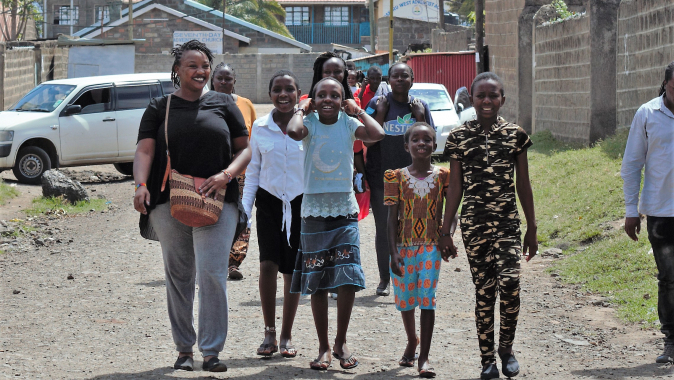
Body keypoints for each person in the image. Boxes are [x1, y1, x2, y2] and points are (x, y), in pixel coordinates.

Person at [133, 40, 251, 373]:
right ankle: (184, 350)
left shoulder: (224, 103)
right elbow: (144, 151)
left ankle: (211, 352)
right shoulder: (160, 106)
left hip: (217, 200)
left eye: (204, 65)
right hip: (170, 202)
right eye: (192, 65)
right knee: (179, 276)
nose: (200, 71)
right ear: (177, 71)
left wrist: (227, 175)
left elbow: (246, 149)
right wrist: (141, 186)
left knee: (213, 275)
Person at [440, 72, 537, 380]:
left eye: (493, 95)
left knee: (509, 284)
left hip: (508, 222)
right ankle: (487, 359)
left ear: (502, 100)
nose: (486, 101)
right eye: (480, 95)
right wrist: (445, 231)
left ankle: (506, 349)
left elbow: (523, 183)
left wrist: (532, 227)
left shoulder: (515, 135)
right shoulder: (458, 137)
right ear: (471, 98)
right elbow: (455, 187)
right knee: (485, 290)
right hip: (474, 225)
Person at [287, 77, 385, 370]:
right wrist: (301, 110)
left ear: (343, 100)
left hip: (344, 210)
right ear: (313, 99)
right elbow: (293, 132)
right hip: (313, 212)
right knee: (316, 280)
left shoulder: (347, 122)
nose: (327, 99)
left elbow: (377, 133)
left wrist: (357, 111)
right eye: (321, 95)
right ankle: (323, 347)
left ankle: (341, 341)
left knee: (346, 277)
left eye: (335, 95)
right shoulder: (310, 123)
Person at [385, 122, 456, 378]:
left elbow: (451, 213)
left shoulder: (443, 176)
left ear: (435, 145)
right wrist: (393, 252)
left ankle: (424, 357)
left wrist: (448, 237)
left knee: (427, 298)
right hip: (403, 247)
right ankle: (411, 340)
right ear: (407, 146)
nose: (422, 143)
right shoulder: (395, 176)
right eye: (415, 140)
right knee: (405, 300)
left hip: (430, 247)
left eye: (427, 140)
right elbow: (391, 218)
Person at [242, 70, 304, 359]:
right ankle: (268, 330)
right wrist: (245, 212)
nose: (283, 94)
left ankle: (286, 334)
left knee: (292, 270)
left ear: (298, 93)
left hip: (300, 203)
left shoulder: (307, 126)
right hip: (268, 203)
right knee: (267, 265)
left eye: (289, 89)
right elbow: (252, 172)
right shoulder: (260, 127)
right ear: (269, 94)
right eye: (277, 89)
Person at [364, 62, 434, 296]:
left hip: (414, 179)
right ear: (389, 79)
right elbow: (367, 141)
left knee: (412, 229)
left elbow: (429, 144)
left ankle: (409, 276)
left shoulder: (420, 106)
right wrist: (381, 114)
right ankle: (385, 278)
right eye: (395, 76)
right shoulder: (377, 104)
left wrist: (420, 118)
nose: (400, 80)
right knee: (384, 229)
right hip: (382, 178)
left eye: (405, 76)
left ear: (412, 79)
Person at [622, 61, 674, 364]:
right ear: (665, 84)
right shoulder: (648, 114)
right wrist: (631, 210)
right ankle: (671, 340)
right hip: (661, 214)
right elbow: (632, 164)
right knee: (669, 278)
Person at [211, 62, 258, 280]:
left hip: (241, 173)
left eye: (228, 78)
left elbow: (253, 140)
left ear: (234, 82)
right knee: (211, 214)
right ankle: (213, 259)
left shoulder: (246, 105)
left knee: (241, 216)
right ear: (212, 81)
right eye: (219, 78)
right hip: (212, 171)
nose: (223, 82)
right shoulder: (203, 103)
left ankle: (233, 262)